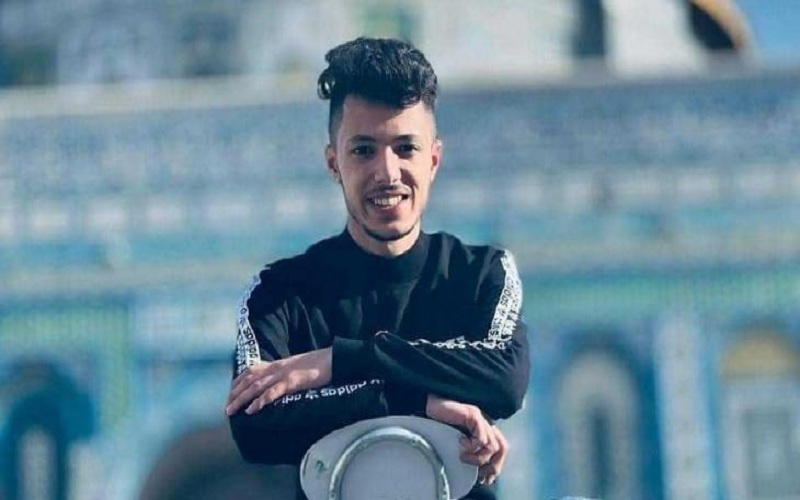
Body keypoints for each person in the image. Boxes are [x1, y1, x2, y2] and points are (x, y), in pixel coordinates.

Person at [225, 36, 530, 499]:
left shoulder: (481, 275)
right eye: (363, 150)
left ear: (434, 160)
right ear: (333, 162)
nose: (387, 173)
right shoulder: (280, 294)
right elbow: (254, 422)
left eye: (405, 148)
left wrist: (338, 361)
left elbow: (504, 378)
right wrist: (419, 402)